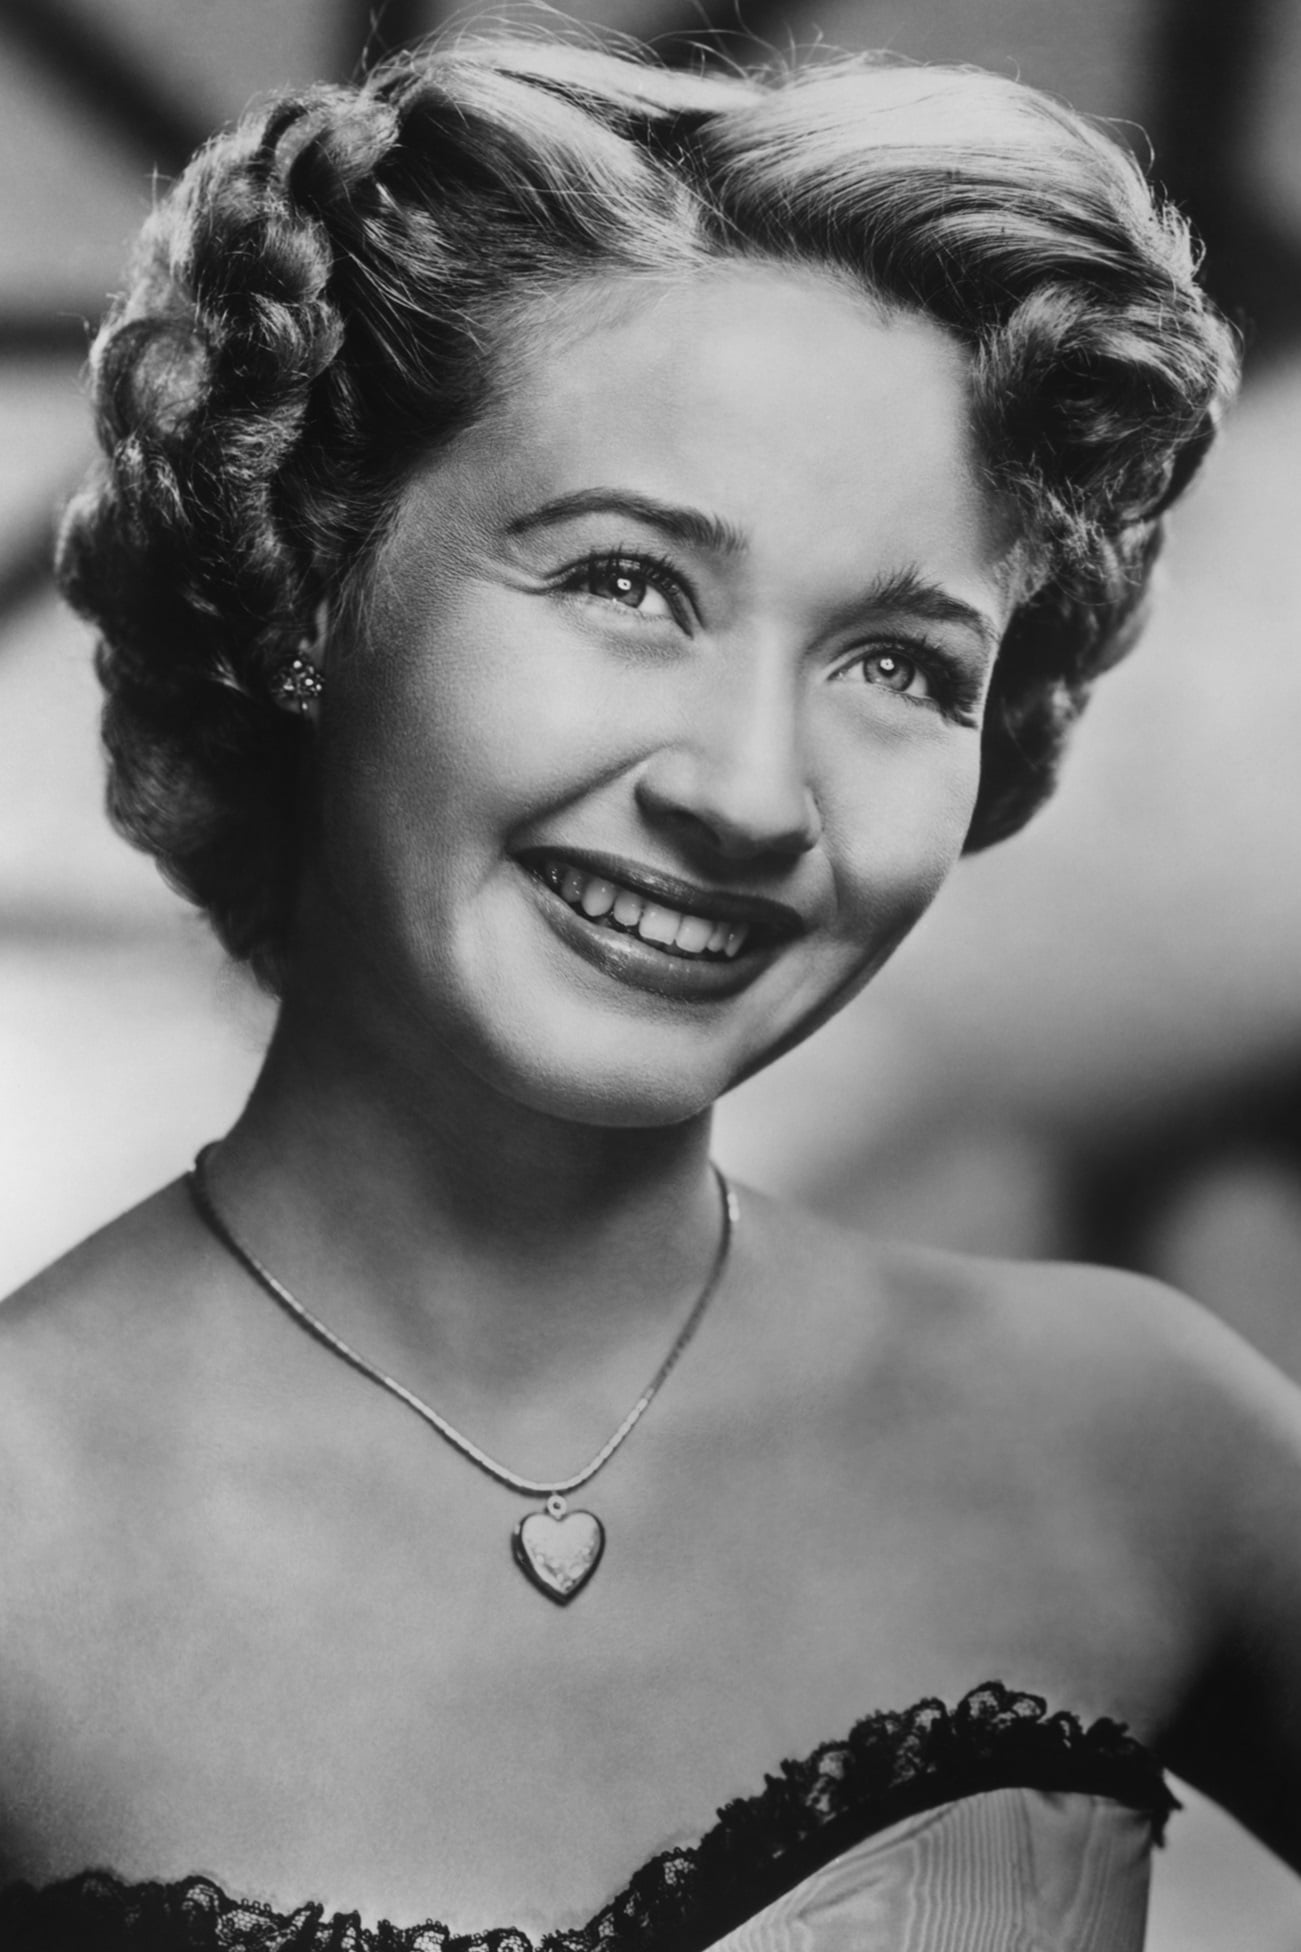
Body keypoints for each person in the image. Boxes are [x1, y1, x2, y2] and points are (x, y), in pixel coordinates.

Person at [0, 27, 1295, 1951]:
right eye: (625, 584)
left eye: (902, 666)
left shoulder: (1132, 1440)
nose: (749, 795)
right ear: (314, 587)